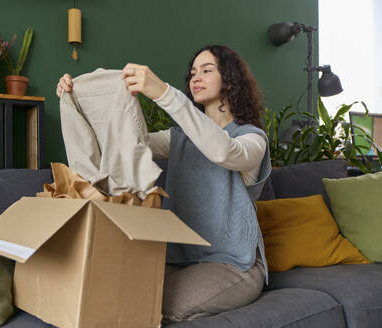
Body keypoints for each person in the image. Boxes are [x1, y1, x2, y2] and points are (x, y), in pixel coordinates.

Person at [56, 45, 271, 323]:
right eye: (193, 72)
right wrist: (77, 100)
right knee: (118, 292)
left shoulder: (253, 140)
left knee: (152, 304)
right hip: (179, 258)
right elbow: (128, 143)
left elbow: (224, 152)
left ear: (230, 80)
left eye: (207, 70)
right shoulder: (178, 139)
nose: (196, 77)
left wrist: (163, 93)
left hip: (234, 264)